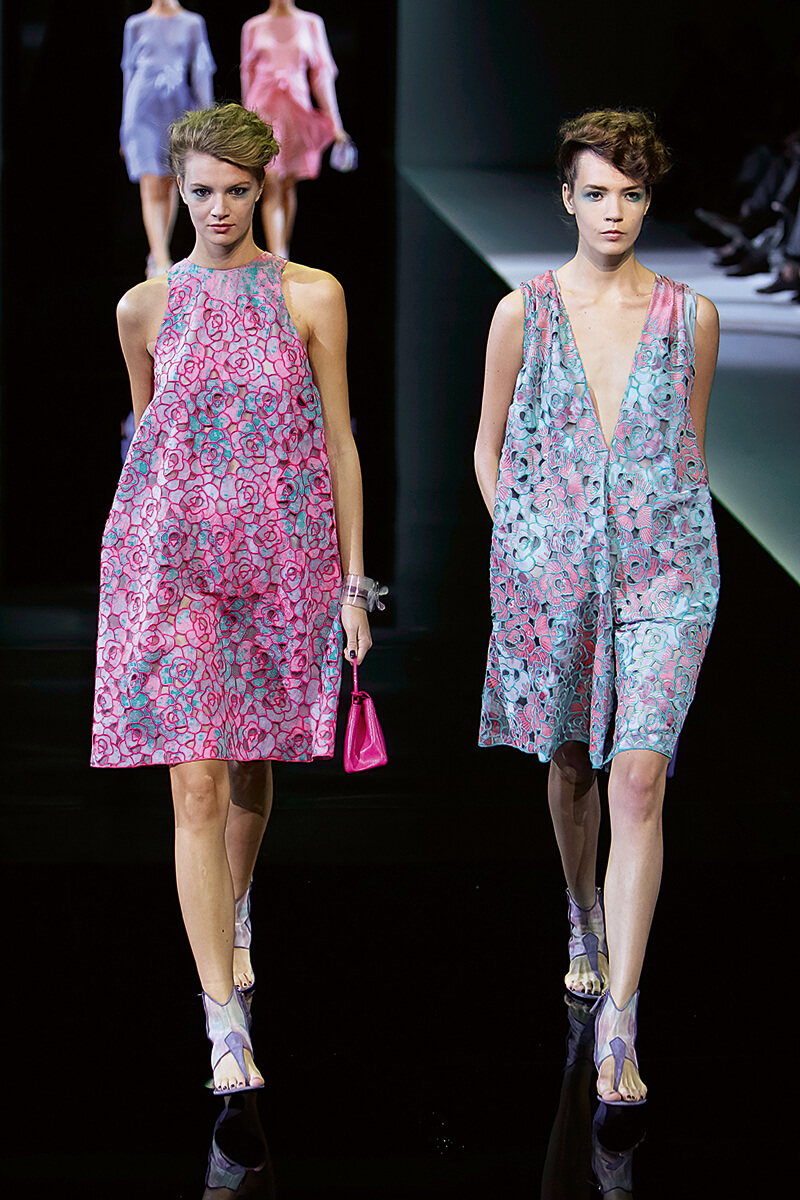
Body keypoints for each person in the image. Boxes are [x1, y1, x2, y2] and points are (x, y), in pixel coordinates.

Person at [92, 102, 378, 1094]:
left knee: (254, 764)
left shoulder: (312, 294)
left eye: (236, 191)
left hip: (282, 564)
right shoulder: (143, 308)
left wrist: (353, 584)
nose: (217, 209)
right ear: (176, 190)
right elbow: (151, 443)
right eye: (200, 191)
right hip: (172, 568)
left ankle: (236, 899)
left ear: (265, 188)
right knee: (196, 785)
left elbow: (339, 441)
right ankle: (222, 1019)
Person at [474, 110, 720, 1105]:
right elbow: (488, 443)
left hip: (667, 576)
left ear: (647, 200)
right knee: (572, 760)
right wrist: (521, 541)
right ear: (565, 198)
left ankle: (621, 1019)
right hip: (553, 578)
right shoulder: (521, 313)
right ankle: (582, 912)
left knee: (641, 780)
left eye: (630, 192)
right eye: (595, 192)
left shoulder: (690, 316)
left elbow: (687, 450)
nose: (612, 210)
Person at [240, 2, 349, 257]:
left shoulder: (311, 23)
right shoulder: (253, 26)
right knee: (271, 180)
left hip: (296, 110)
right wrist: (245, 121)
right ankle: (276, 254)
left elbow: (322, 75)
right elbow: (247, 75)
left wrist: (335, 120)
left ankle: (282, 252)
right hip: (264, 110)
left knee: (289, 182)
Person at [120, 2, 216, 277]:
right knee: (150, 180)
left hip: (177, 109)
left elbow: (201, 72)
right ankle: (162, 260)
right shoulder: (135, 24)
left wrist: (206, 120)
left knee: (170, 182)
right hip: (142, 112)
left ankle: (157, 255)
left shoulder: (192, 22)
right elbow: (128, 75)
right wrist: (125, 127)